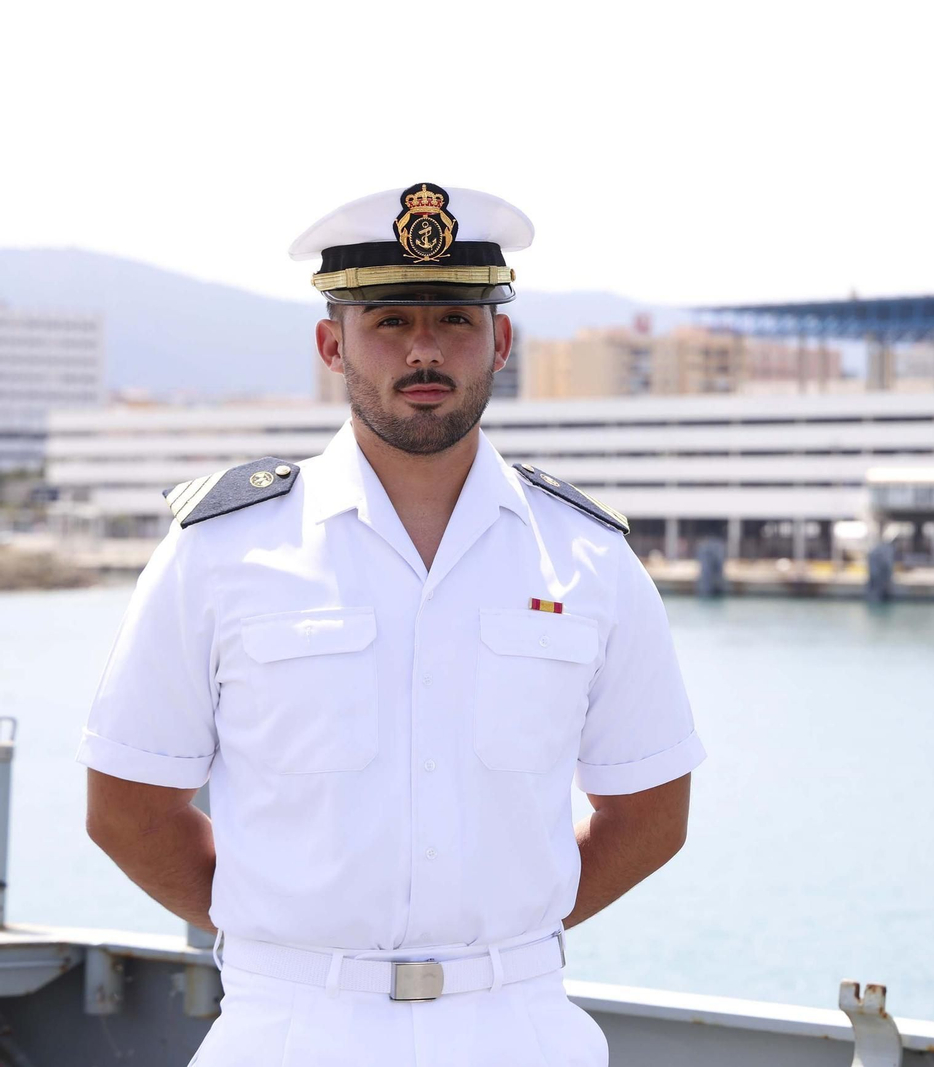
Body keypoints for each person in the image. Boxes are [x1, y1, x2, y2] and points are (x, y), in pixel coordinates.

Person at [76, 183, 706, 1066]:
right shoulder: (222, 551)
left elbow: (649, 813)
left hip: (518, 1027)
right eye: (389, 321)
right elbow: (128, 805)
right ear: (333, 344)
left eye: (455, 320)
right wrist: (284, 934)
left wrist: (504, 936)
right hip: (291, 1029)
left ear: (501, 341)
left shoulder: (588, 558)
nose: (424, 350)